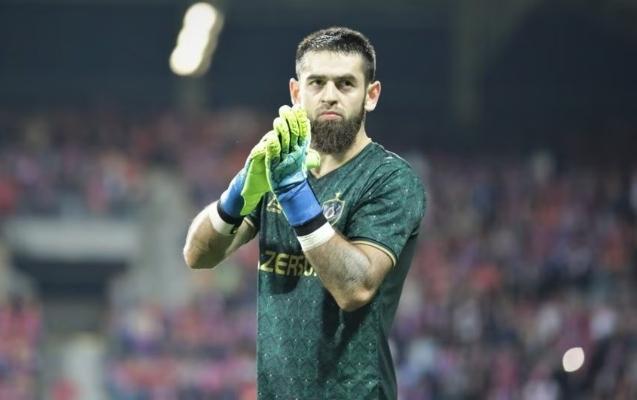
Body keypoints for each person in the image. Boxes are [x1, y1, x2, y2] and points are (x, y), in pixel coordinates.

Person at [183, 26, 426, 400]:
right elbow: (198, 255)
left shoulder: (390, 179)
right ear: (297, 93)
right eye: (317, 83)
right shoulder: (279, 166)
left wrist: (293, 192)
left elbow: (355, 288)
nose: (330, 95)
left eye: (346, 84)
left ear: (371, 95)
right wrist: (237, 196)